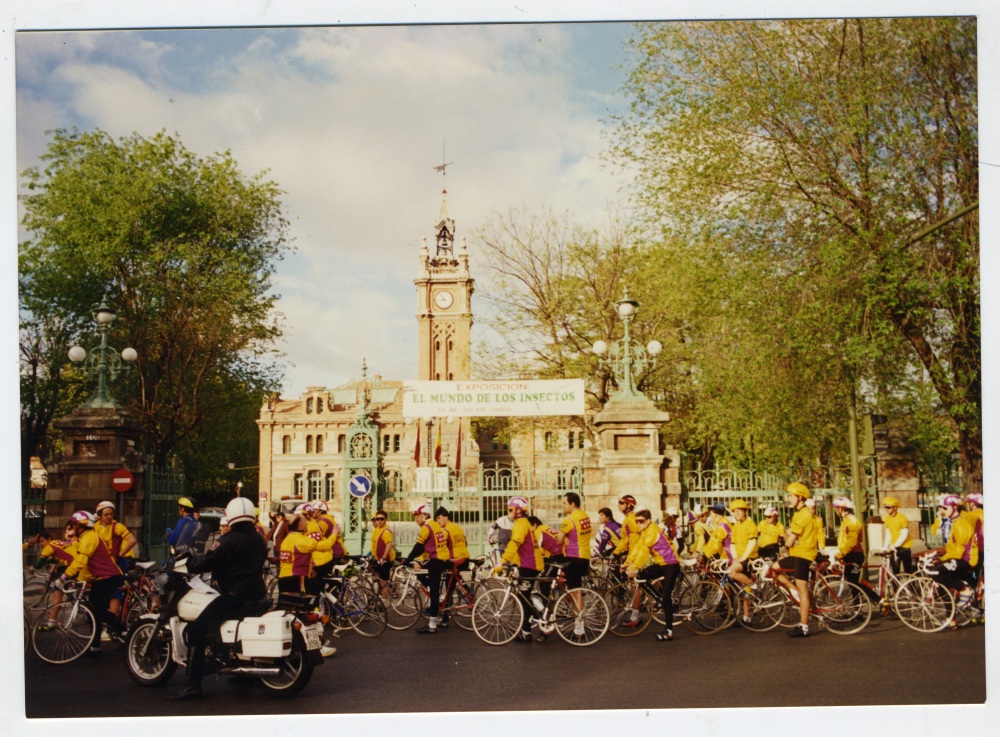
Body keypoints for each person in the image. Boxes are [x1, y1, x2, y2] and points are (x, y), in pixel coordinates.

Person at [167, 497, 268, 701]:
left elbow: (209, 560)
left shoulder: (227, 540)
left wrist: (191, 565)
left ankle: (192, 685)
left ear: (230, 516)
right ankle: (232, 665)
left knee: (196, 630)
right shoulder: (259, 539)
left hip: (235, 595)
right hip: (258, 592)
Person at [57, 510, 126, 656]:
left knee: (98, 610)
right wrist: (78, 580)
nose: (73, 527)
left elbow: (81, 561)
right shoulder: (85, 537)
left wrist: (64, 577)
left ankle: (124, 631)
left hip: (108, 576)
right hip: (99, 578)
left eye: (74, 524)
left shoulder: (90, 537)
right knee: (93, 612)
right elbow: (83, 563)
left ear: (80, 525)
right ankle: (95, 647)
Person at [624, 509, 682, 641]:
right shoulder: (645, 531)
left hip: (671, 564)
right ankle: (658, 598)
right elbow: (637, 548)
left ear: (649, 521)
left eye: (641, 521)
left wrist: (634, 567)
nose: (638, 523)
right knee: (641, 575)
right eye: (636, 521)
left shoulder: (652, 531)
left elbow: (644, 551)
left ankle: (668, 631)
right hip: (662, 564)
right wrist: (627, 562)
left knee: (666, 595)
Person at [927, 494, 981, 627]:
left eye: (944, 507)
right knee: (940, 583)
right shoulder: (955, 521)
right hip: (959, 557)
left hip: (965, 559)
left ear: (955, 507)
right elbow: (951, 546)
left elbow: (958, 551)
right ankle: (951, 618)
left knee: (935, 572)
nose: (940, 511)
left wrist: (941, 559)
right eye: (939, 507)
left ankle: (963, 589)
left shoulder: (961, 523)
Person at [772, 482, 817, 638]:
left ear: (799, 497)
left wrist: (788, 539)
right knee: (774, 569)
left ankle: (804, 627)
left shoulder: (804, 514)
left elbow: (789, 541)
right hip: (797, 553)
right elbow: (791, 537)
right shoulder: (798, 513)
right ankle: (793, 589)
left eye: (790, 495)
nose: (788, 498)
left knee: (803, 589)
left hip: (803, 555)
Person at [497, 496, 541, 641]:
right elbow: (522, 548)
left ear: (518, 510)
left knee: (524, 598)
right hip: (528, 564)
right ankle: (526, 630)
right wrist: (513, 563)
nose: (509, 513)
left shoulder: (520, 524)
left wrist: (502, 562)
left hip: (530, 565)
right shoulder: (524, 523)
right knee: (524, 597)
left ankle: (527, 631)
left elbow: (514, 544)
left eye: (511, 509)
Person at [404, 503, 452, 634]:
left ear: (424, 515)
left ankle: (432, 625)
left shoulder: (426, 527)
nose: (416, 520)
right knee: (419, 571)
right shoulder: (436, 525)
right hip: (441, 559)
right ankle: (434, 593)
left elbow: (418, 546)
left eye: (417, 516)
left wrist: (407, 559)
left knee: (434, 590)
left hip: (437, 560)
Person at [554, 492, 593, 638]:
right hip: (584, 556)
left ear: (572, 504)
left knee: (575, 591)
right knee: (572, 589)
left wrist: (563, 539)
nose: (562, 506)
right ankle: (576, 615)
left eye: (564, 503)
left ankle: (579, 623)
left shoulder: (569, 519)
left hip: (573, 557)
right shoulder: (585, 516)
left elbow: (558, 540)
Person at [830, 497, 880, 606]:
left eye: (836, 509)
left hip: (854, 555)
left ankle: (878, 599)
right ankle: (858, 610)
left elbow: (852, 542)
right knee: (852, 585)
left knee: (854, 584)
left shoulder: (851, 522)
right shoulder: (848, 520)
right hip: (850, 555)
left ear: (842, 509)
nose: (836, 511)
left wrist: (841, 554)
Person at [95, 500, 138, 625]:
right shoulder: (95, 526)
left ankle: (111, 625)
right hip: (102, 564)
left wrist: (120, 554)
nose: (109, 517)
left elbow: (132, 540)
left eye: (111, 514)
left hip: (116, 564)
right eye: (106, 514)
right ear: (99, 515)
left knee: (115, 593)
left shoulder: (117, 526)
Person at [277, 505, 319, 594]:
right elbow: (319, 545)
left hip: (283, 576)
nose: (307, 523)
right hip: (297, 577)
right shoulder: (301, 540)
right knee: (300, 605)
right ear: (300, 525)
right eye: (305, 522)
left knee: (288, 604)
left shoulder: (287, 539)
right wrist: (333, 535)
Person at [880, 496, 914, 574]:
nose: (886, 509)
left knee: (908, 570)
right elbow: (888, 533)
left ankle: (910, 585)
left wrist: (895, 545)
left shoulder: (902, 518)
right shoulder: (887, 518)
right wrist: (886, 546)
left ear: (895, 507)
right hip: (893, 547)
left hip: (904, 547)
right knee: (895, 570)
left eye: (888, 507)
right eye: (885, 507)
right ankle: (896, 586)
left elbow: (904, 534)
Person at [369, 509, 396, 591]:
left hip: (386, 559)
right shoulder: (376, 530)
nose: (378, 521)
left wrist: (383, 558)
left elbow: (389, 545)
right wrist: (372, 555)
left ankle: (385, 599)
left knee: (383, 581)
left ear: (386, 520)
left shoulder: (386, 531)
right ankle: (385, 590)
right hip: (378, 558)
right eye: (377, 519)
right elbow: (374, 545)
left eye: (382, 519)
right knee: (377, 575)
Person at [611, 494, 639, 559]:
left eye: (621, 503)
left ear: (628, 505)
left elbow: (634, 540)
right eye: (618, 502)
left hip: (635, 555)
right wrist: (616, 552)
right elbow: (625, 539)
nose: (618, 505)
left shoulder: (631, 519)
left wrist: (631, 558)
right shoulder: (628, 518)